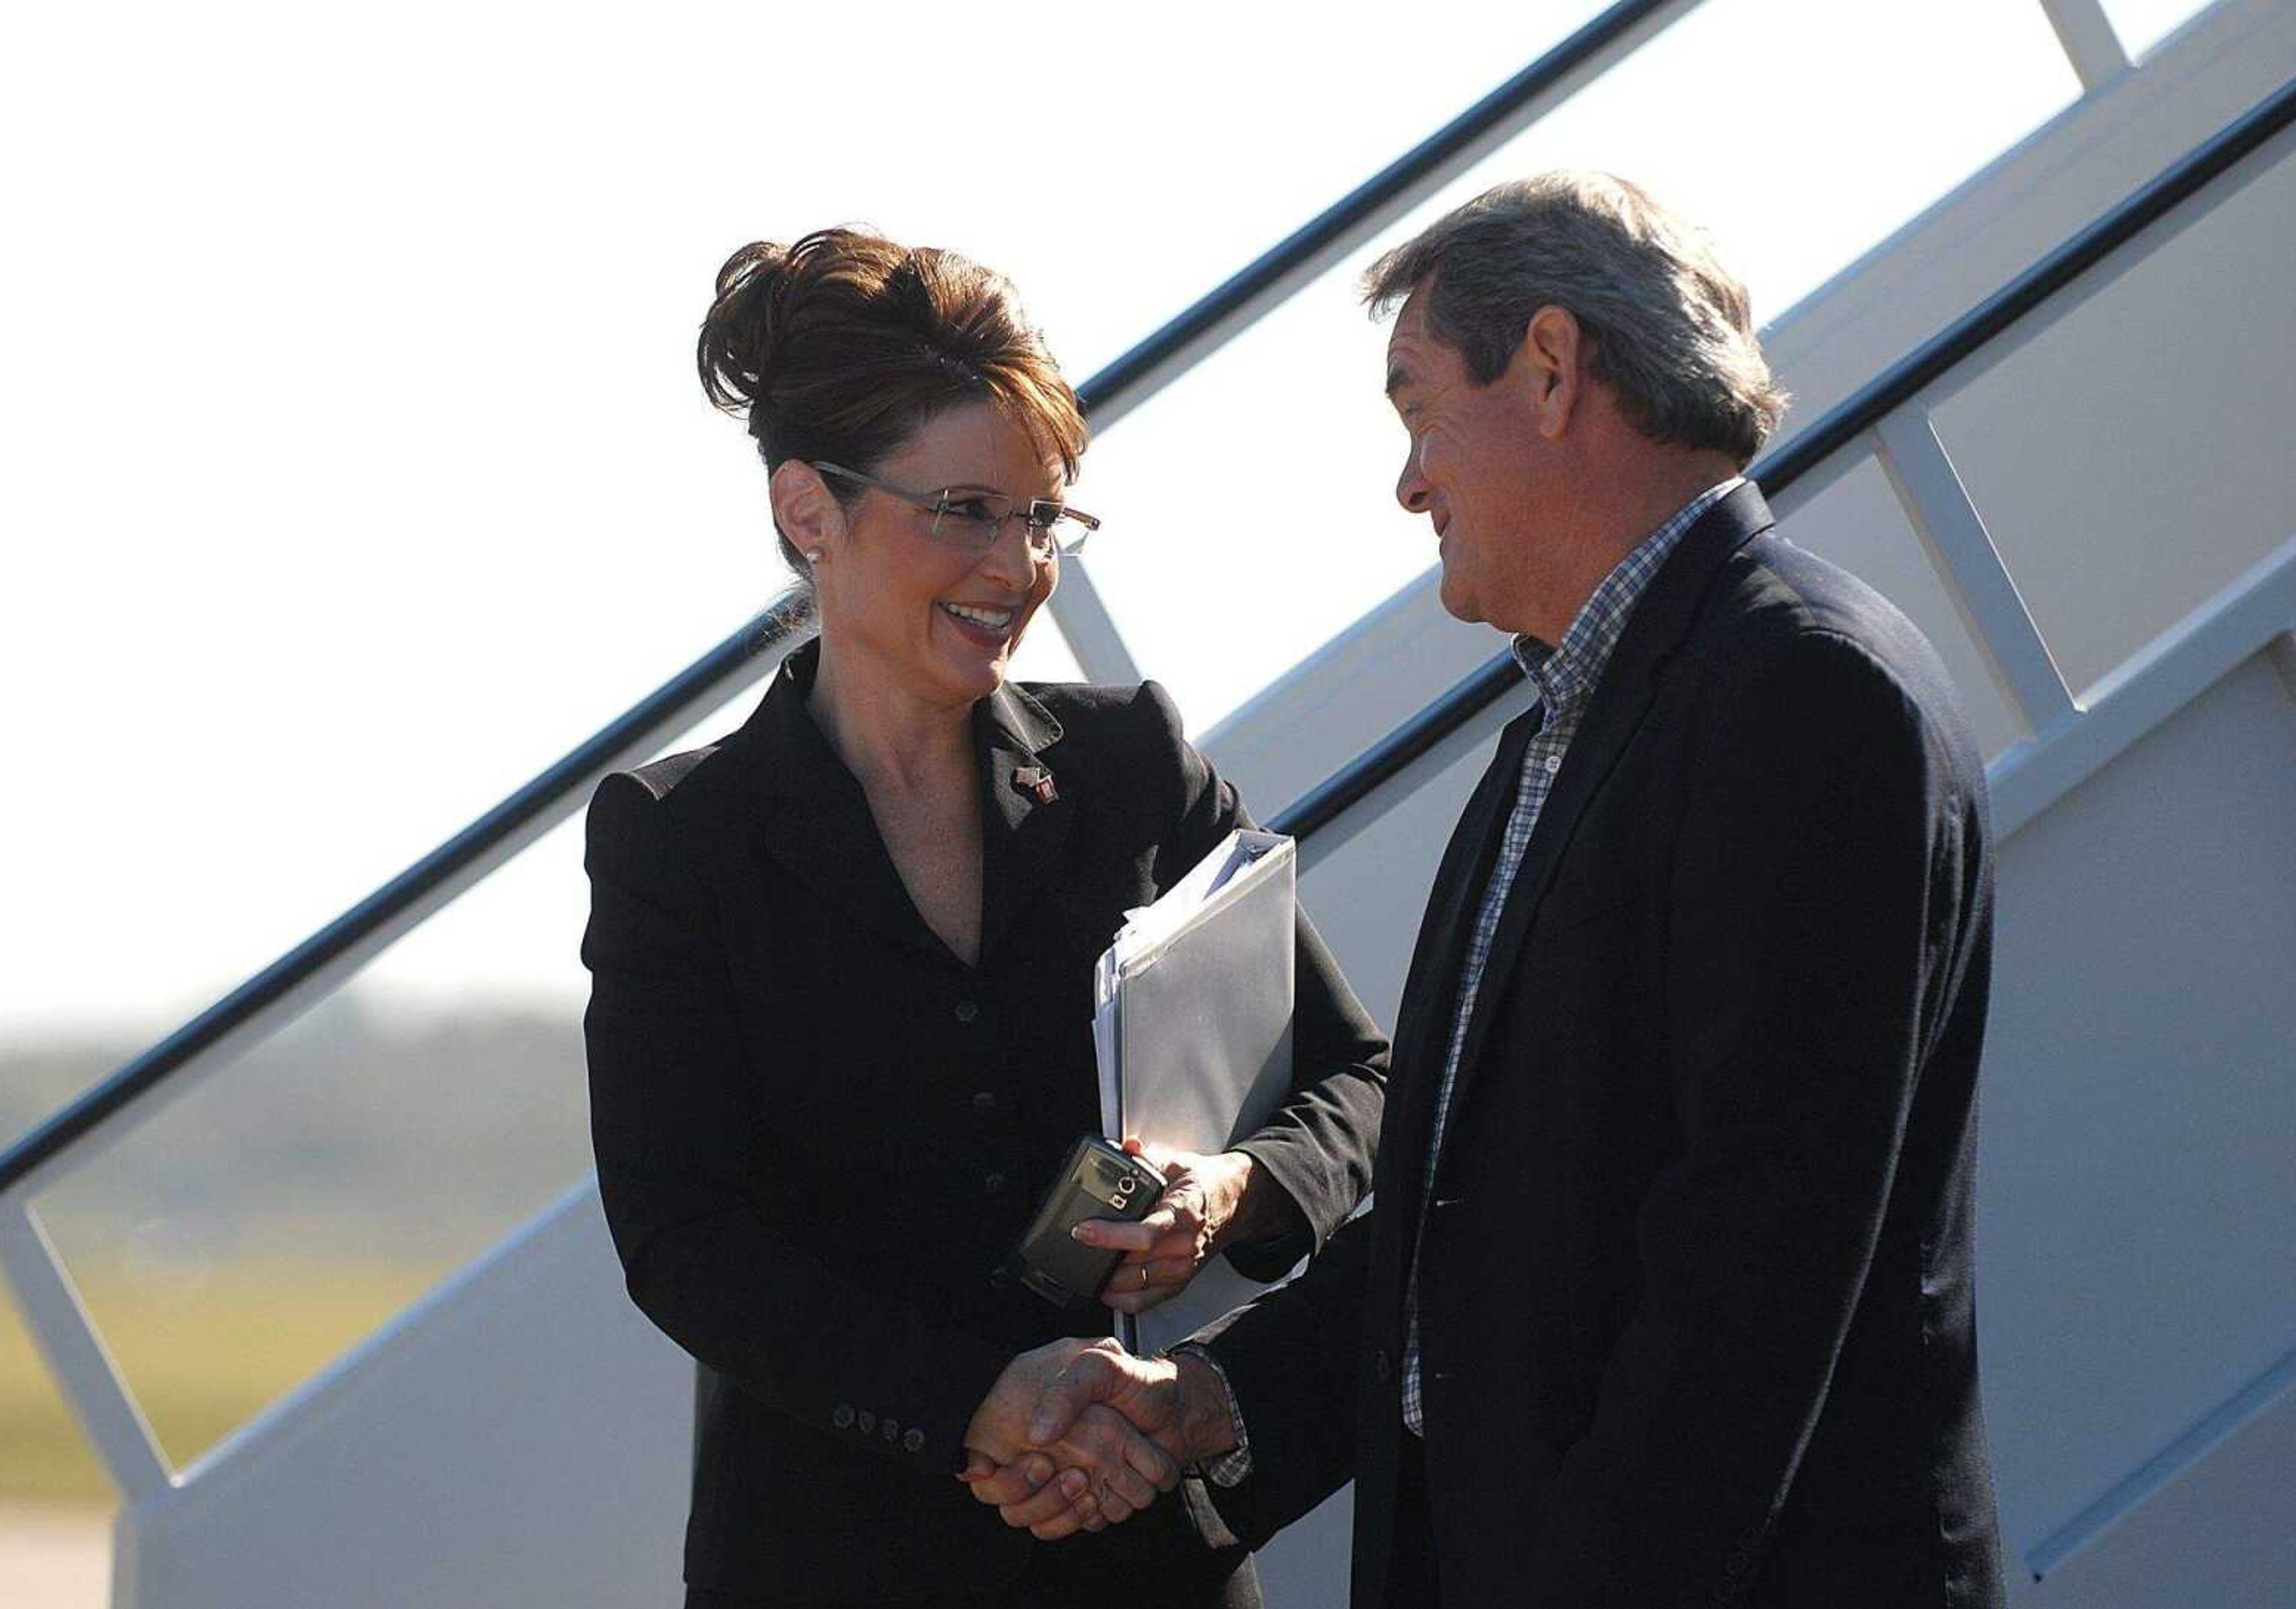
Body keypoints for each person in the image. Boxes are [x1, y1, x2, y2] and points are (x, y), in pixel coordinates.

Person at [976, 172, 2010, 1608]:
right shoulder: (1553, 740)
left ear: (1547, 369)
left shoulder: (1806, 691)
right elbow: (1472, 1220)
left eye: (1414, 407)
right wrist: (1214, 1401)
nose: (1407, 483)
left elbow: (1751, 1262)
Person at [579, 226, 1389, 1609]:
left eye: (1043, 516)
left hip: (1144, 1554)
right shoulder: (679, 837)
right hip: (832, 1560)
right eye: (965, 508)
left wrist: (1232, 1189)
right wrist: (976, 1398)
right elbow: (683, 1235)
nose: (1017, 565)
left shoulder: (1134, 761)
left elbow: (1359, 1080)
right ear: (806, 513)